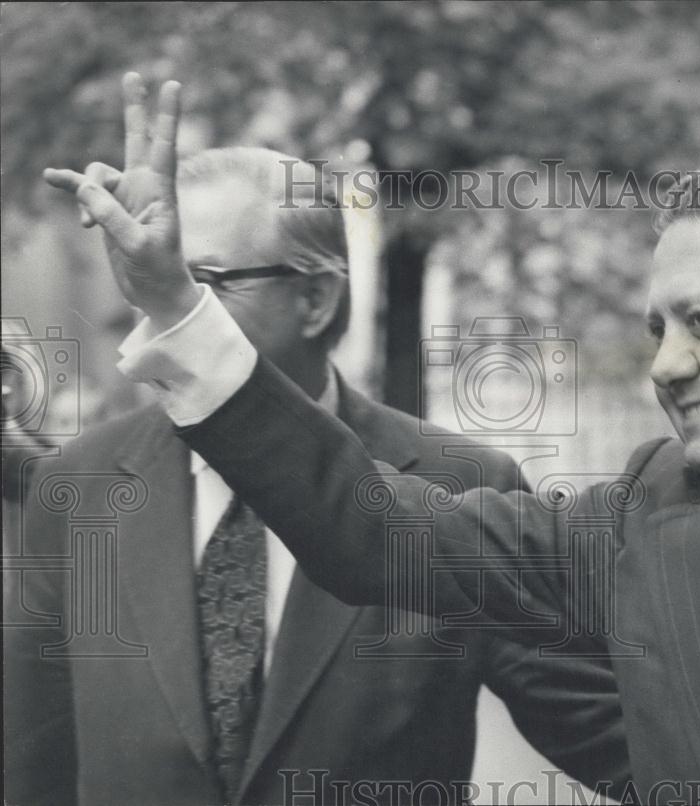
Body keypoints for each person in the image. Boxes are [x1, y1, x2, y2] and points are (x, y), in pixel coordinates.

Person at [46, 74, 700, 806]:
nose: (663, 367)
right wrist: (178, 307)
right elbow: (377, 530)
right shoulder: (651, 512)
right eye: (655, 329)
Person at [8, 137, 630, 806]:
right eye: (150, 280)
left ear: (316, 300)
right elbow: (30, 765)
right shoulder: (79, 487)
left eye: (200, 284)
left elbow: (615, 737)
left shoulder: (459, 485)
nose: (166, 314)